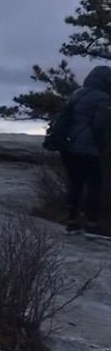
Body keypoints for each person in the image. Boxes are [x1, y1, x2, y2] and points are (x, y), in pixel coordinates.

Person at [59, 65, 111, 235]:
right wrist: (103, 147)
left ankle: (71, 221)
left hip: (67, 147)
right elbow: (100, 126)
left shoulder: (76, 93)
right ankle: (92, 224)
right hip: (89, 148)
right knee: (94, 185)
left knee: (75, 183)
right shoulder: (103, 98)